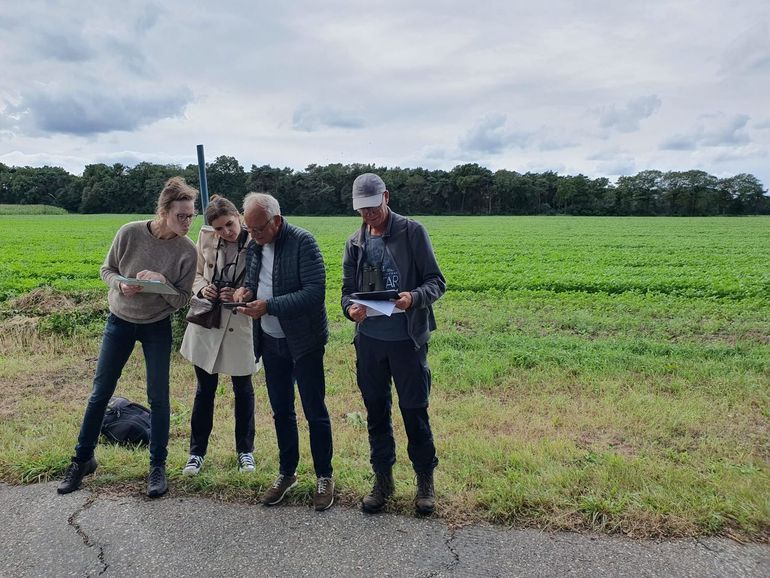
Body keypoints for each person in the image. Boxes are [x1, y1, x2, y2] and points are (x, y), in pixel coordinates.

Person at [57, 176, 199, 498]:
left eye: (191, 215)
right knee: (100, 393)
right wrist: (121, 284)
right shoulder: (130, 232)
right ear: (164, 211)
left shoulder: (187, 252)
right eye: (182, 215)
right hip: (119, 320)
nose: (188, 221)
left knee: (158, 397)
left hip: (156, 326)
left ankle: (157, 467)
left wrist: (162, 282)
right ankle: (82, 460)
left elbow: (182, 299)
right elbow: (106, 270)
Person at [341, 173, 446, 516]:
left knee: (414, 411)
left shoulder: (412, 232)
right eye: (362, 210)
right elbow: (345, 293)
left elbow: (436, 282)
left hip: (407, 340)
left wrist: (412, 298)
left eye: (373, 207)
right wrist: (350, 310)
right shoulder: (354, 242)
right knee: (376, 413)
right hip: (370, 342)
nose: (368, 215)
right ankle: (382, 482)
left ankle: (424, 483)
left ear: (386, 197)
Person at [232, 192, 335, 511]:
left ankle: (324, 476)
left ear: (276, 221)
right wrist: (244, 292)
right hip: (270, 341)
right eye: (249, 229)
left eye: (259, 229)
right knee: (281, 410)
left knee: (314, 410)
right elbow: (254, 282)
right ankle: (287, 472)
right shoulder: (253, 245)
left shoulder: (304, 242)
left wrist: (270, 305)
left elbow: (315, 293)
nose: (253, 236)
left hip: (304, 341)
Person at [179, 195, 257, 476]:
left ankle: (245, 451)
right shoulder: (207, 238)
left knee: (243, 389)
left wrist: (242, 293)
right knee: (204, 390)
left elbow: (266, 280)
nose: (227, 231)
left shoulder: (256, 238)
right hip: (208, 321)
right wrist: (204, 289)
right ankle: (196, 453)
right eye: (220, 228)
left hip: (241, 322)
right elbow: (197, 273)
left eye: (229, 224)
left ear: (238, 216)